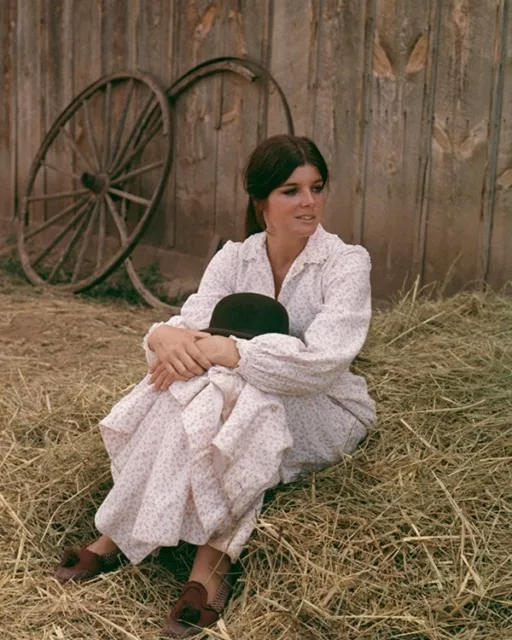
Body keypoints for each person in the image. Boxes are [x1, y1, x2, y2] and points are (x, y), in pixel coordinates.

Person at [54, 134, 377, 637]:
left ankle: (205, 563)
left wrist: (236, 352)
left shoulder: (346, 262)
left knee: (241, 394)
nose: (309, 202)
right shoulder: (234, 258)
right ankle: (128, 535)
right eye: (291, 190)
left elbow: (323, 360)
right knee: (188, 387)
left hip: (321, 403)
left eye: (317, 187)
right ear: (261, 201)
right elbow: (194, 325)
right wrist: (160, 336)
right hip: (235, 390)